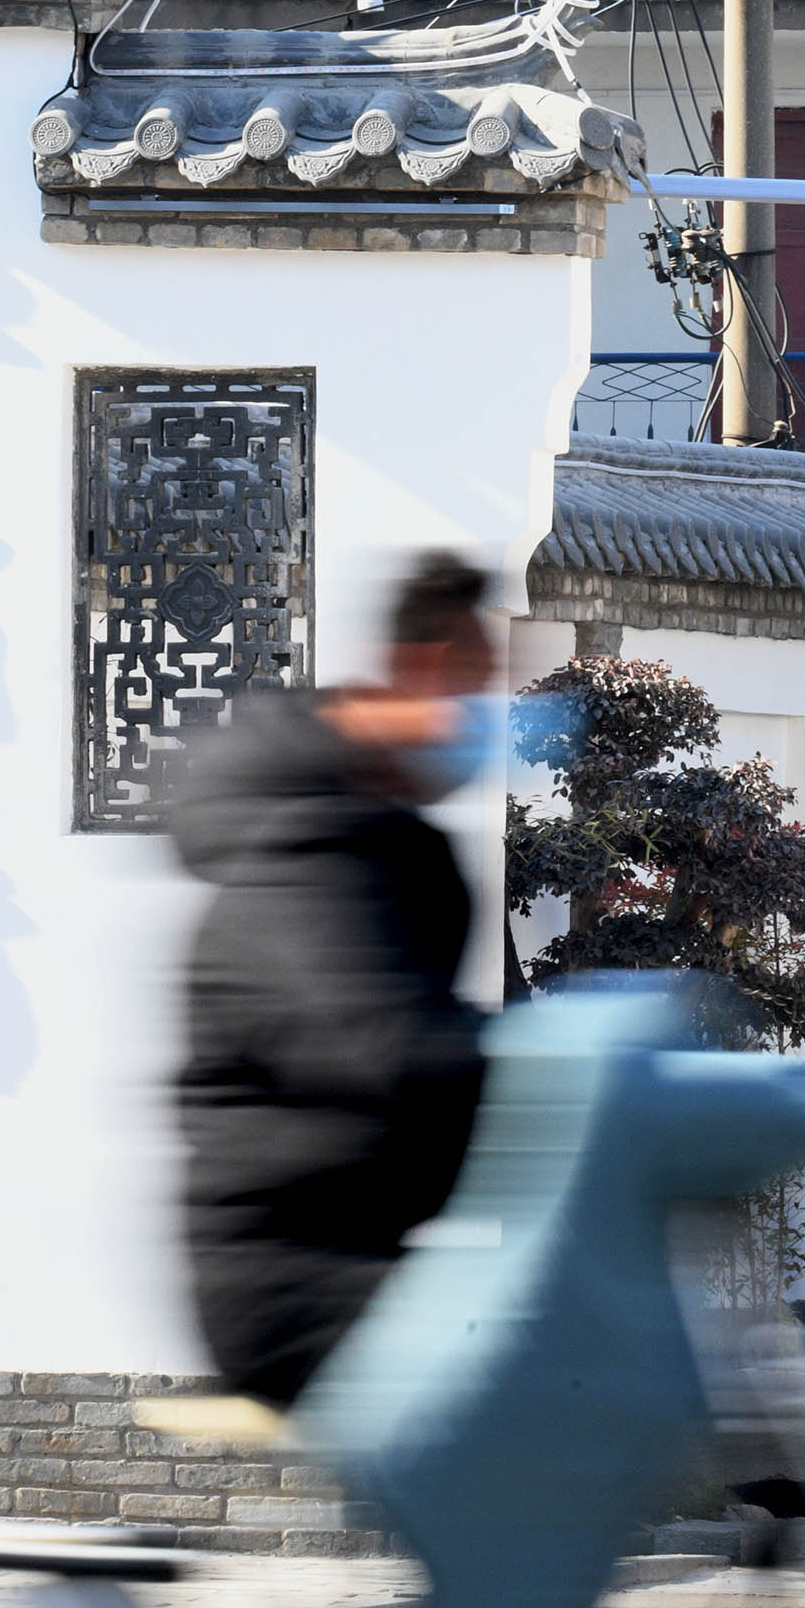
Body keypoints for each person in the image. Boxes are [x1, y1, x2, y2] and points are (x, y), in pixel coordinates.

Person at [174, 553, 502, 1409]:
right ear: (426, 670)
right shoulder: (306, 851)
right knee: (568, 1366)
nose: (486, 718)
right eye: (477, 686)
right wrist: (559, 1061)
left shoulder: (384, 844)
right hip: (291, 1284)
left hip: (363, 1250)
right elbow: (387, 1046)